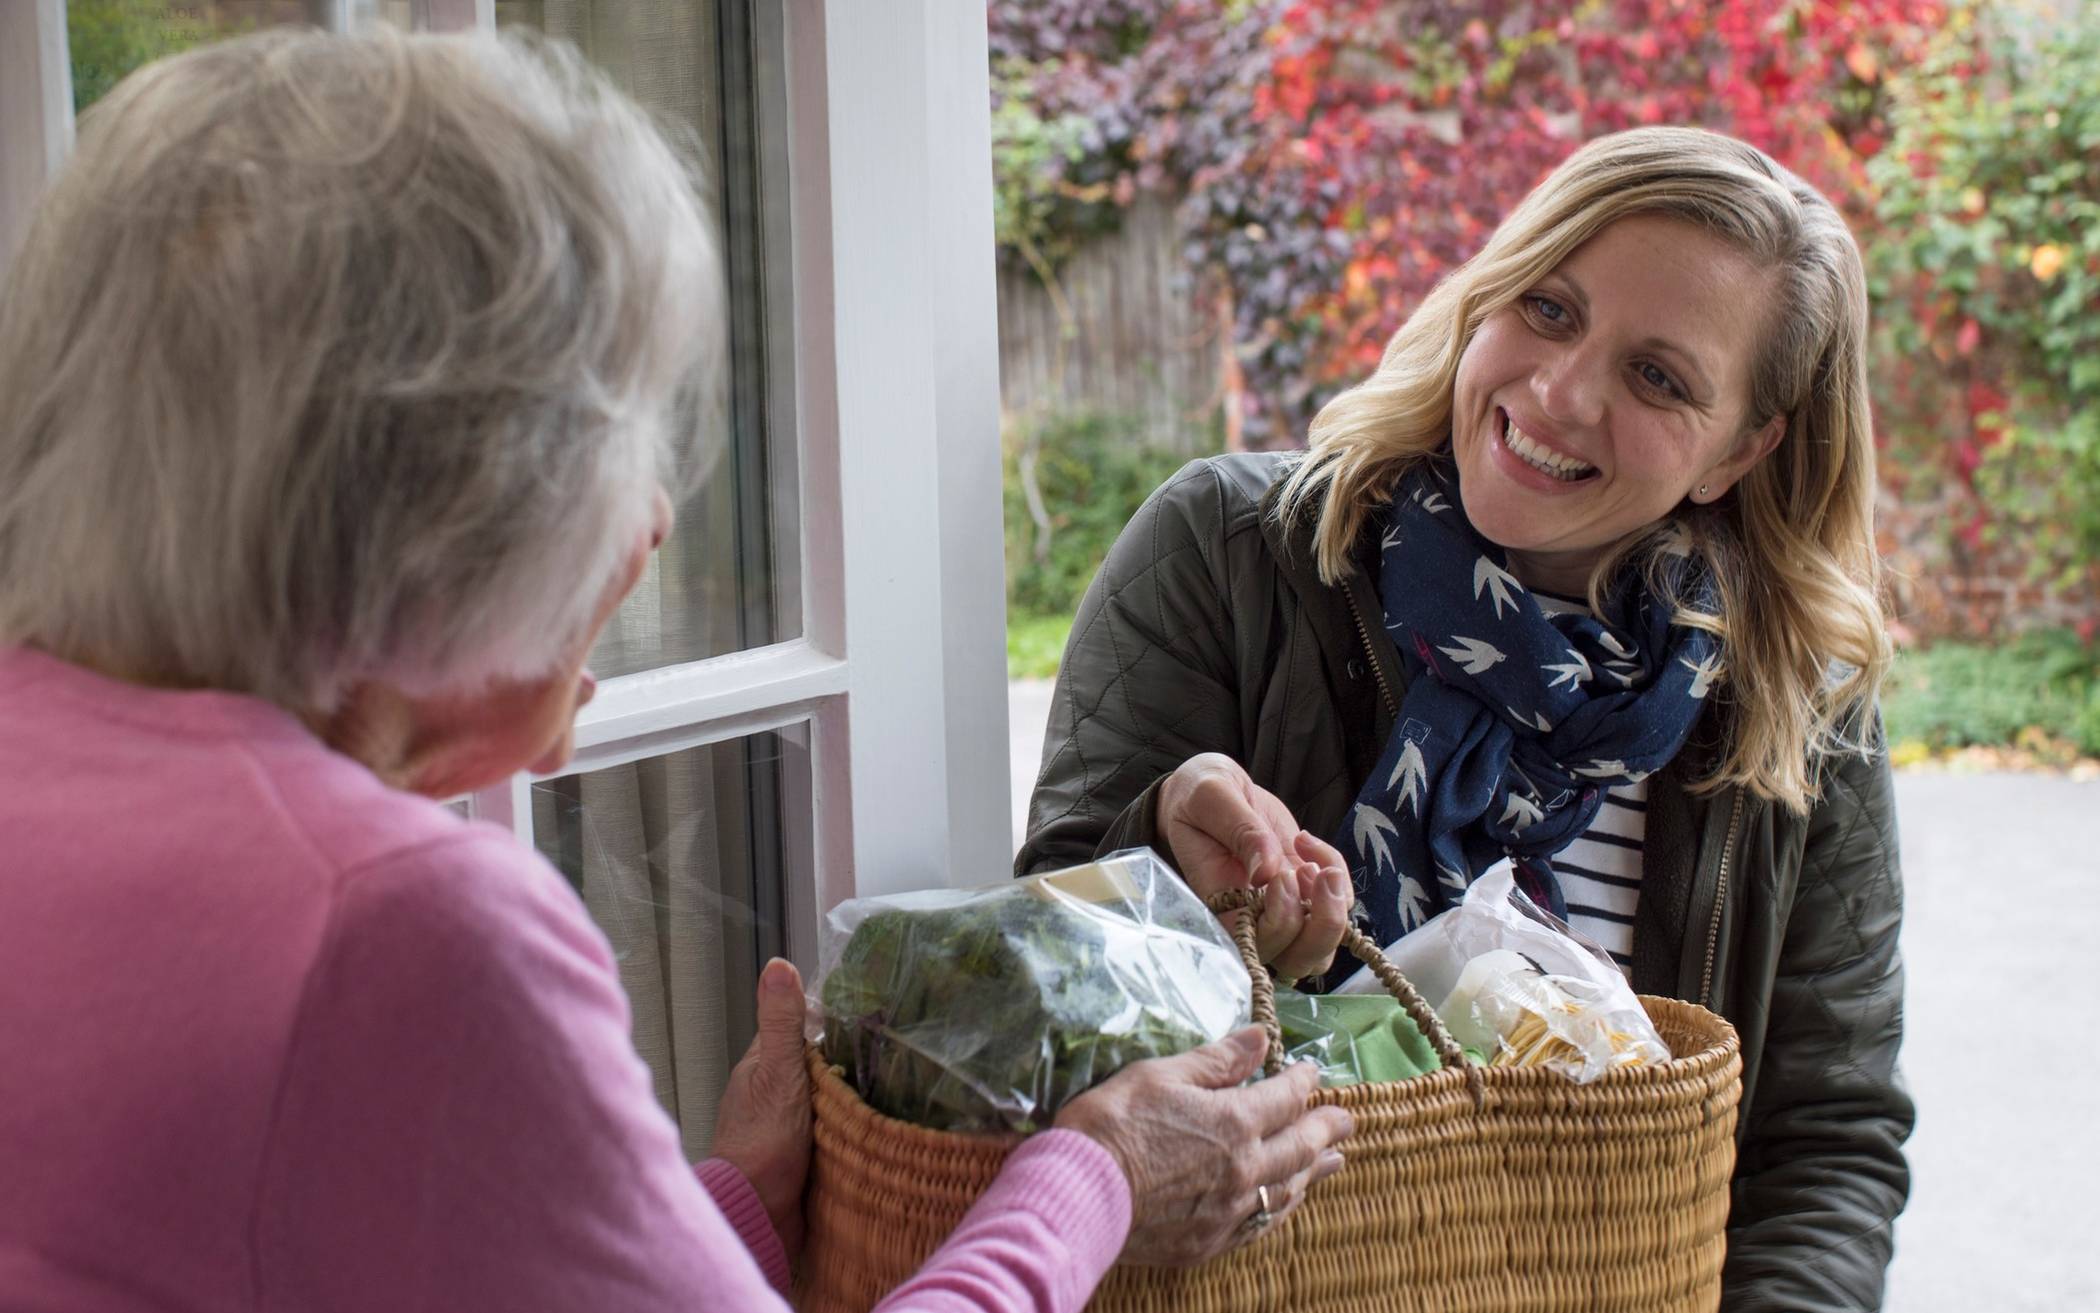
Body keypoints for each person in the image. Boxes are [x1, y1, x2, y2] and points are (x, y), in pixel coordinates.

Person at [0, 29, 1355, 1313]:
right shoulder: (403, 926)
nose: (653, 520)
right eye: (627, 429)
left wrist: (722, 1202)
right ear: (454, 498)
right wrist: (1097, 1180)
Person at [1019, 126, 1913, 1310]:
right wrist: (1165, 855)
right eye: (1547, 308)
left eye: (1659, 377)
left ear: (1740, 448)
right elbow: (1036, 985)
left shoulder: (1797, 705)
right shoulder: (1228, 555)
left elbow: (1825, 1141)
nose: (1560, 391)